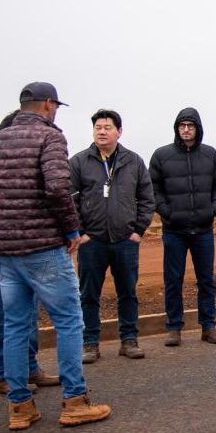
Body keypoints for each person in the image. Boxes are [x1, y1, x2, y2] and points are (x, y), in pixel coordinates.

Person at [0, 82, 112, 430]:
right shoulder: (49, 138)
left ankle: (20, 406)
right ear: (48, 104)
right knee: (69, 320)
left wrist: (2, 220)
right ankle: (75, 401)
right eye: (56, 106)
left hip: (5, 253)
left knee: (14, 324)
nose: (56, 111)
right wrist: (71, 230)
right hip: (44, 248)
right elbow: (58, 187)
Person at [0, 110, 59, 395]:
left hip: (27, 246)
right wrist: (1, 221)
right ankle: (1, 373)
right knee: (5, 313)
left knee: (26, 312)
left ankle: (29, 367)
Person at [70, 109, 155, 363]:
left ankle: (129, 339)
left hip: (124, 241)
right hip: (91, 242)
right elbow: (69, 201)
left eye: (107, 127)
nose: (102, 131)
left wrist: (138, 231)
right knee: (88, 294)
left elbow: (147, 199)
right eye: (98, 127)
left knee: (127, 292)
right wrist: (81, 233)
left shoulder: (134, 162)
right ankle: (90, 343)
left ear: (119, 131)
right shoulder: (79, 162)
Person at [149, 108, 216, 346]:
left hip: (203, 229)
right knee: (173, 280)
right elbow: (153, 188)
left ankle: (209, 326)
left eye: (190, 126)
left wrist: (213, 208)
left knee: (206, 279)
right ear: (176, 128)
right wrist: (166, 212)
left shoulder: (210, 155)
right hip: (174, 231)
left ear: (197, 128)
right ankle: (174, 328)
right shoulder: (161, 156)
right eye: (182, 125)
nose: (186, 129)